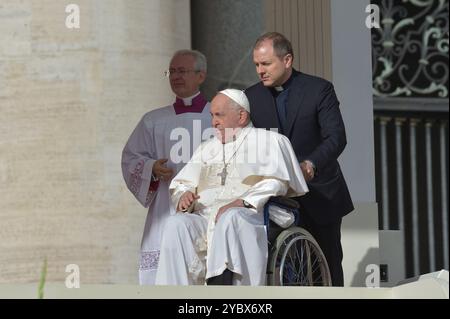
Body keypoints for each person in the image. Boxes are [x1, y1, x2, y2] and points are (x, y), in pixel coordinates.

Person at [154, 89, 308, 286]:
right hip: (207, 217)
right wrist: (184, 194)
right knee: (176, 225)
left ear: (241, 116)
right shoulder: (207, 148)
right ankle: (176, 295)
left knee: (230, 217)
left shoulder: (268, 141)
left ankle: (229, 292)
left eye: (219, 115)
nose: (213, 122)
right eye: (212, 115)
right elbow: (183, 183)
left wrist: (243, 201)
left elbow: (276, 182)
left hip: (251, 214)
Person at [245, 32, 354, 286]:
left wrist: (310, 164)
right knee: (281, 269)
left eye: (266, 64)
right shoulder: (251, 96)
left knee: (326, 265)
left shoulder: (319, 89)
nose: (260, 71)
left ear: (287, 60)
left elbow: (336, 137)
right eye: (256, 65)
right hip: (275, 197)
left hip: (319, 193)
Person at [121, 50, 212, 285]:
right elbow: (130, 158)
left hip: (210, 206)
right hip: (166, 206)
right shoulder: (153, 120)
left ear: (201, 75)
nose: (175, 76)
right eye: (171, 71)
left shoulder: (218, 116)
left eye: (182, 71)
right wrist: (151, 168)